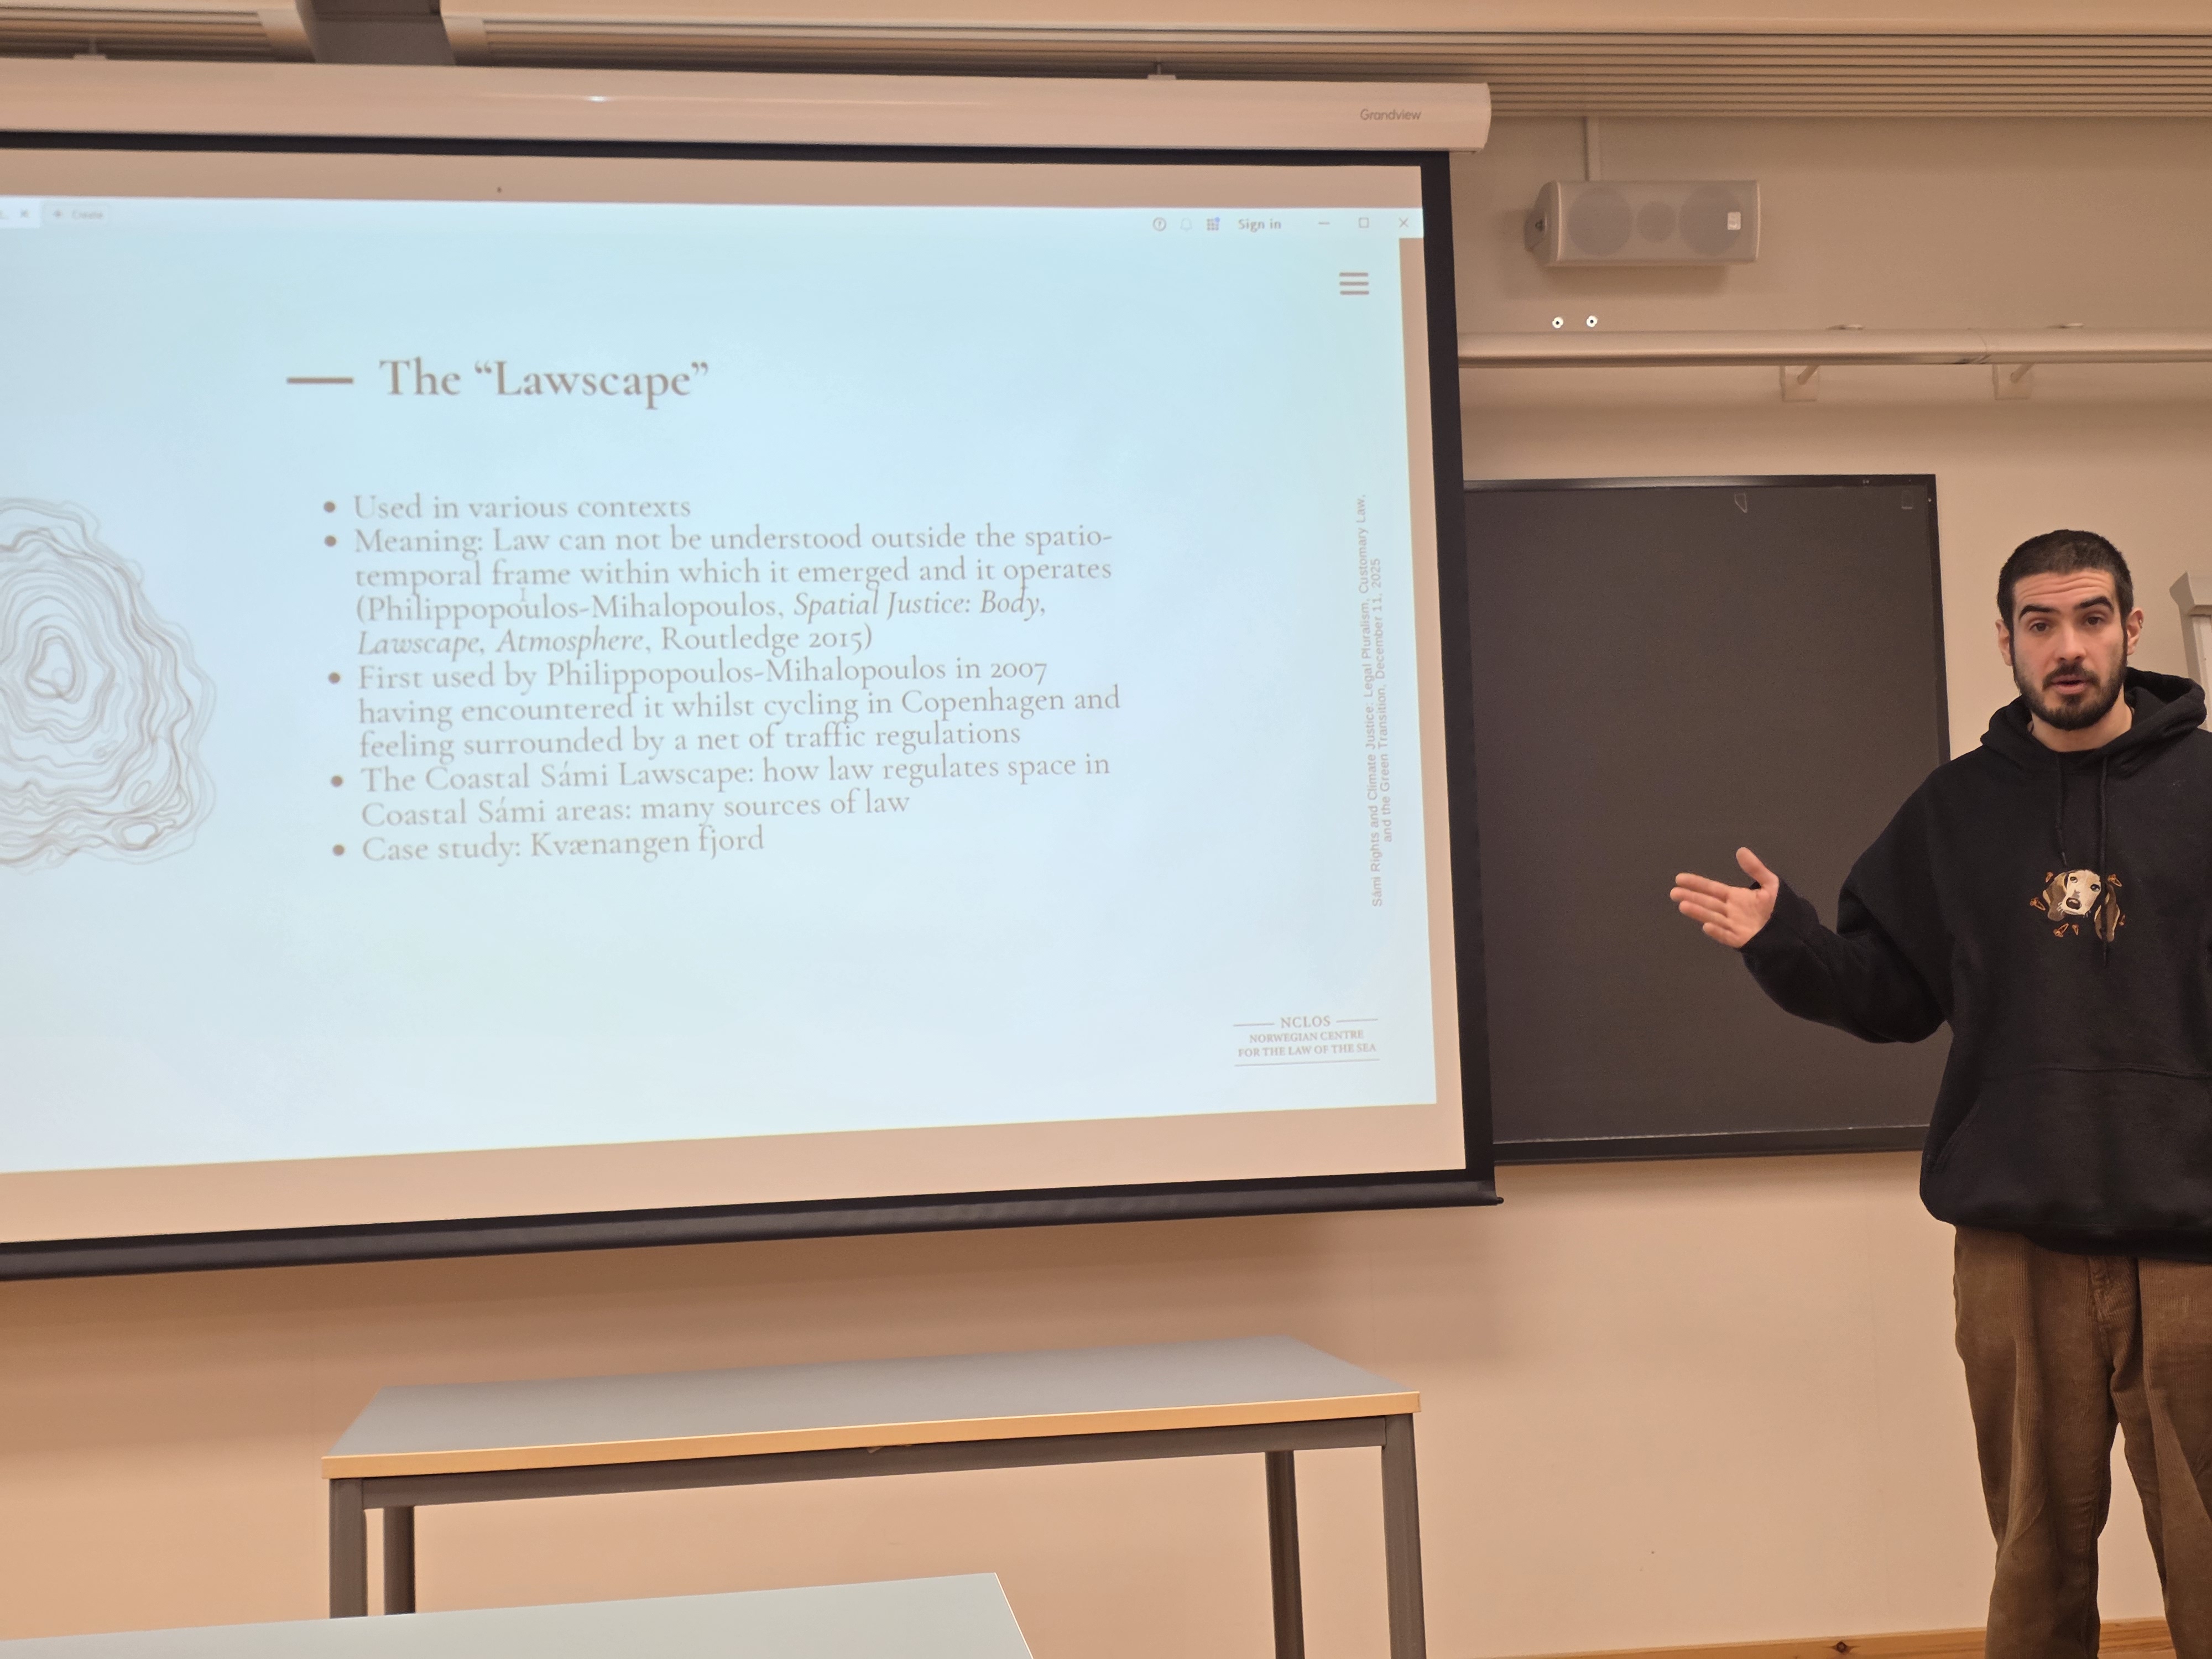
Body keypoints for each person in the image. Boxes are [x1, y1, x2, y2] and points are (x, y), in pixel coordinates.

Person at [1669, 530, 2212, 1659]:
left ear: (2130, 630)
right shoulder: (1955, 810)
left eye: (2090, 618)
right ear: (2004, 642)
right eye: (2039, 625)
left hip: (2195, 1246)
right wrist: (1784, 941)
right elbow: (1888, 996)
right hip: (2016, 1249)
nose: (2067, 647)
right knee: (2032, 1557)